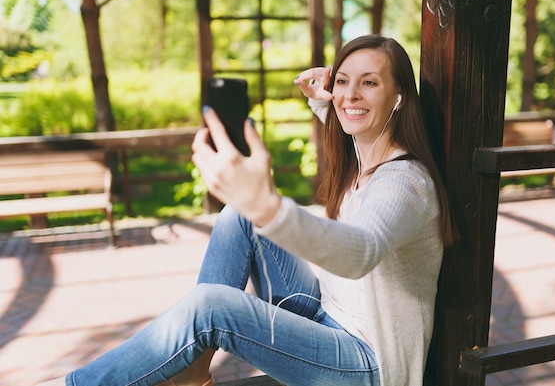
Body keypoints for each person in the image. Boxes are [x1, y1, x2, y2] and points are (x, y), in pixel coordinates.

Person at [38, 34, 453, 386]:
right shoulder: (364, 155)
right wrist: (328, 100)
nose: (350, 94)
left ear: (399, 98)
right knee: (239, 216)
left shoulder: (404, 181)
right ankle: (194, 367)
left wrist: (268, 206)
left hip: (366, 364)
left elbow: (359, 252)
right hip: (326, 317)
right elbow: (348, 113)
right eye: (343, 81)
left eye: (370, 83)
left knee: (211, 306)